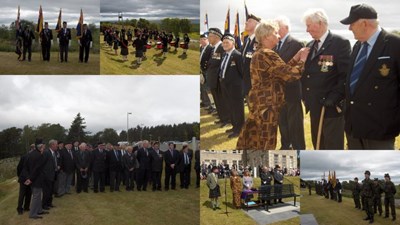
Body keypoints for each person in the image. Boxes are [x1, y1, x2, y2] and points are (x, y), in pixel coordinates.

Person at [236, 20, 309, 150]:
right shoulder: (267, 53)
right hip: (267, 108)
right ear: (266, 36)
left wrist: (297, 56)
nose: (279, 36)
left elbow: (280, 70)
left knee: (258, 140)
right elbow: (289, 75)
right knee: (266, 142)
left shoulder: (261, 52)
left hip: (262, 104)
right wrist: (303, 59)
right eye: (275, 33)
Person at [340, 4, 400, 149]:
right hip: (354, 129)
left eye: (351, 24)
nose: (349, 28)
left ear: (364, 24)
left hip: (380, 130)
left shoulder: (394, 44)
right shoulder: (358, 47)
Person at [301, 9, 351, 150]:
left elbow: (345, 75)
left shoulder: (340, 43)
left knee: (332, 145)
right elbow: (308, 74)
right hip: (314, 105)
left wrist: (334, 97)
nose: (306, 30)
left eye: (309, 25)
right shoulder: (310, 46)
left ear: (320, 23)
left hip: (331, 107)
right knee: (318, 142)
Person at [274, 16, 306, 150]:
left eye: (277, 27)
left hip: (292, 90)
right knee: (283, 122)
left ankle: (298, 147)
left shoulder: (296, 44)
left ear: (286, 28)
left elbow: (300, 68)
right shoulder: (275, 44)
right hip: (279, 92)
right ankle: (285, 145)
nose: (275, 30)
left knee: (295, 124)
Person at [219, 33, 244, 138]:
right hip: (225, 85)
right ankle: (234, 126)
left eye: (227, 42)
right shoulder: (225, 54)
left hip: (235, 88)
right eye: (223, 43)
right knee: (230, 107)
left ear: (233, 43)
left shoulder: (237, 55)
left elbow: (242, 72)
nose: (224, 44)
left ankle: (239, 129)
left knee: (237, 108)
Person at [206, 28, 230, 128]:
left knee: (222, 101)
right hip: (213, 80)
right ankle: (222, 118)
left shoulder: (222, 47)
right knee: (217, 100)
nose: (208, 38)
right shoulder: (213, 48)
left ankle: (227, 119)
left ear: (216, 37)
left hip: (219, 81)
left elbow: (222, 65)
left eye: (210, 36)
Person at [24, 139, 47, 219]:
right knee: (36, 196)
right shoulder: (39, 155)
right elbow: (37, 169)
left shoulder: (30, 154)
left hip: (32, 178)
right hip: (36, 179)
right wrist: (30, 179)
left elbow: (26, 168)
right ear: (41, 146)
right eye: (44, 145)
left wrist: (28, 178)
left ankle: (39, 210)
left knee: (38, 195)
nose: (45, 146)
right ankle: (33, 214)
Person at [241, 14, 260, 97]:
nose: (246, 23)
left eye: (249, 21)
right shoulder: (247, 41)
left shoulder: (260, 40)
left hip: (256, 84)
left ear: (257, 25)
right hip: (246, 83)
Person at [16, 145, 34, 215]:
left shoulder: (33, 157)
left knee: (29, 193)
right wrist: (20, 176)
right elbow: (19, 167)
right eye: (34, 149)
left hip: (30, 178)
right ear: (31, 149)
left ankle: (26, 207)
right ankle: (19, 209)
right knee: (22, 194)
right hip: (23, 178)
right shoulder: (24, 157)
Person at [42, 140, 58, 210]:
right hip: (47, 176)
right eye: (56, 145)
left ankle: (49, 203)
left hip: (53, 175)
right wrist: (45, 174)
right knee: (46, 191)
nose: (57, 146)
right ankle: (44, 205)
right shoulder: (46, 152)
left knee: (51, 190)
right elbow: (42, 164)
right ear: (52, 145)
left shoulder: (54, 152)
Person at [200, 33, 214, 113]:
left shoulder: (210, 48)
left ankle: (212, 106)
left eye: (204, 39)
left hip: (207, 71)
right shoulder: (202, 48)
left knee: (209, 90)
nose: (202, 41)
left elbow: (210, 61)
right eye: (201, 39)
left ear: (207, 40)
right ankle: (207, 103)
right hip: (202, 71)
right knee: (204, 89)